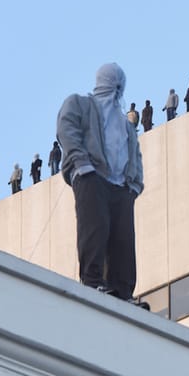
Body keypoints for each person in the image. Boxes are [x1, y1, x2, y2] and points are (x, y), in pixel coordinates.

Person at [57, 63, 144, 302]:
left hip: (121, 186)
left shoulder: (126, 124)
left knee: (123, 239)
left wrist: (134, 184)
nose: (116, 89)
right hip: (92, 176)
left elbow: (135, 153)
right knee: (95, 229)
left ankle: (123, 291)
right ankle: (93, 281)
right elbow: (67, 127)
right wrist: (81, 163)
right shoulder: (81, 104)